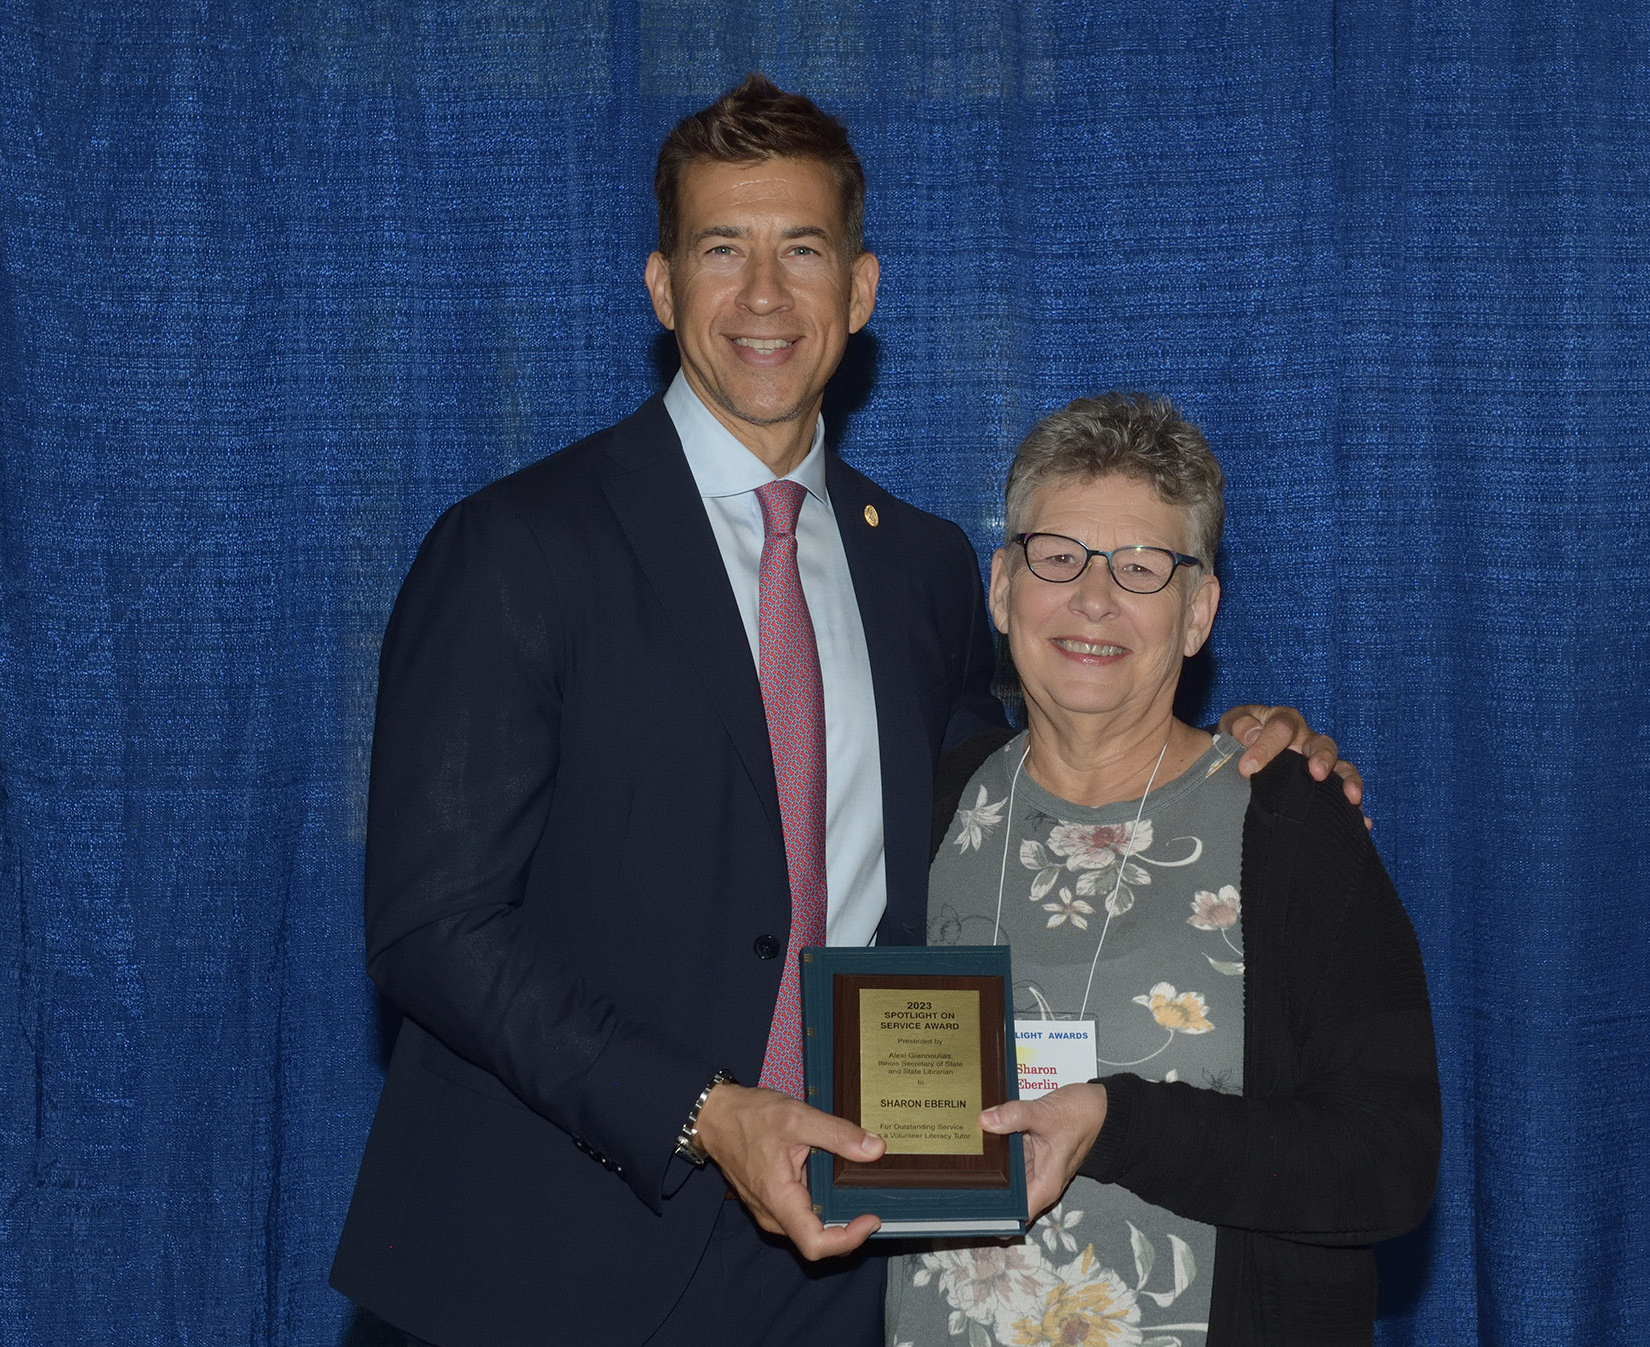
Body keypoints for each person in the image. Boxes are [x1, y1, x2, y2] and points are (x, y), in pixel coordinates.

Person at [329, 78, 1354, 1347]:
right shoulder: (515, 550)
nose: (764, 296)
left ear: (859, 293)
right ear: (661, 287)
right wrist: (704, 1111)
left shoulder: (919, 568)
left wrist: (1237, 740)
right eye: (723, 250)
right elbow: (432, 926)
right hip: (536, 1268)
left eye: (800, 251)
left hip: (831, 1274)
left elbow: (1033, 781)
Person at [888, 395, 1438, 1347]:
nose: (1094, 598)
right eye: (1058, 556)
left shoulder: (1288, 822)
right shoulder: (918, 807)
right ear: (1002, 586)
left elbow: (1385, 1162)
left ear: (1198, 613)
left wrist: (1117, 1122)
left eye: (1142, 568)